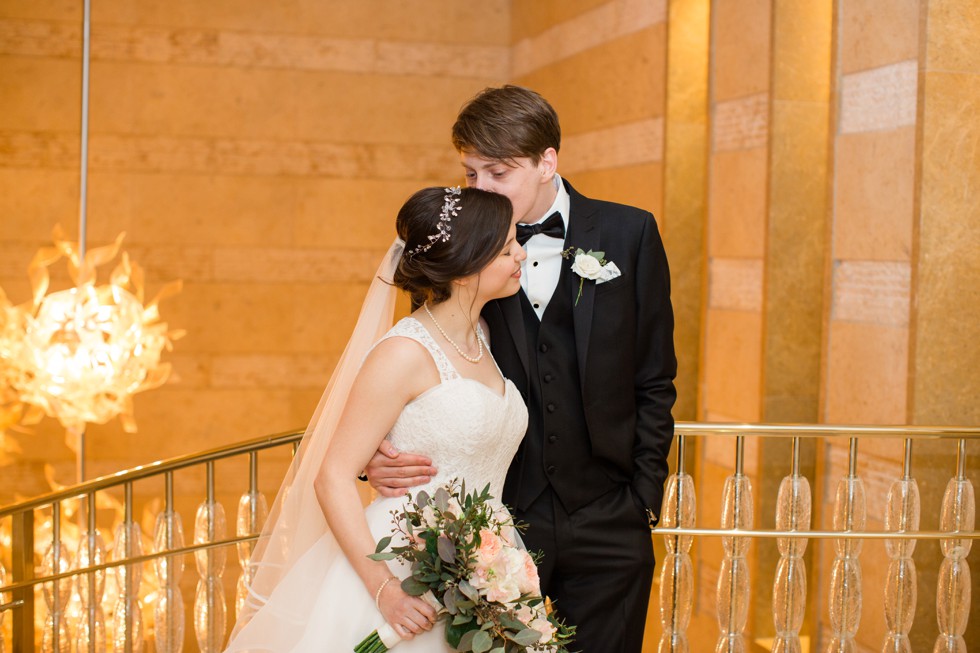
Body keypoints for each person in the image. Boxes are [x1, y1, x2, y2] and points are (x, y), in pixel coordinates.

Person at [365, 85, 677, 652]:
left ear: (546, 163)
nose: (480, 189)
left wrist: (643, 501)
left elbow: (654, 378)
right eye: (470, 173)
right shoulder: (458, 249)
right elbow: (417, 367)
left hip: (609, 516)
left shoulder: (630, 235)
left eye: (498, 173)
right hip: (493, 525)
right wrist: (375, 457)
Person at [224, 186, 531, 651]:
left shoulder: (485, 335)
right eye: (508, 247)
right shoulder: (403, 353)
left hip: (489, 560)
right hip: (406, 563)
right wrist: (384, 587)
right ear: (468, 267)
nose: (520, 254)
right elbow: (331, 477)